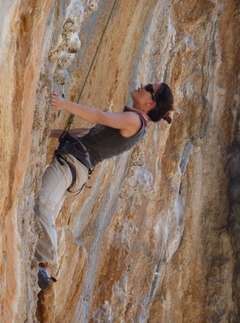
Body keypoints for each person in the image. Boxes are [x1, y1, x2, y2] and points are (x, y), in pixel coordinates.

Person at [35, 82, 174, 290]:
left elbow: (99, 116)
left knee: (42, 203)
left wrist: (64, 104)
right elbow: (88, 132)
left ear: (150, 102)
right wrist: (50, 132)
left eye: (147, 87)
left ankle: (47, 263)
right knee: (44, 215)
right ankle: (42, 265)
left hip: (70, 166)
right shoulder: (134, 122)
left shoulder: (135, 120)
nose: (141, 85)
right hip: (75, 168)